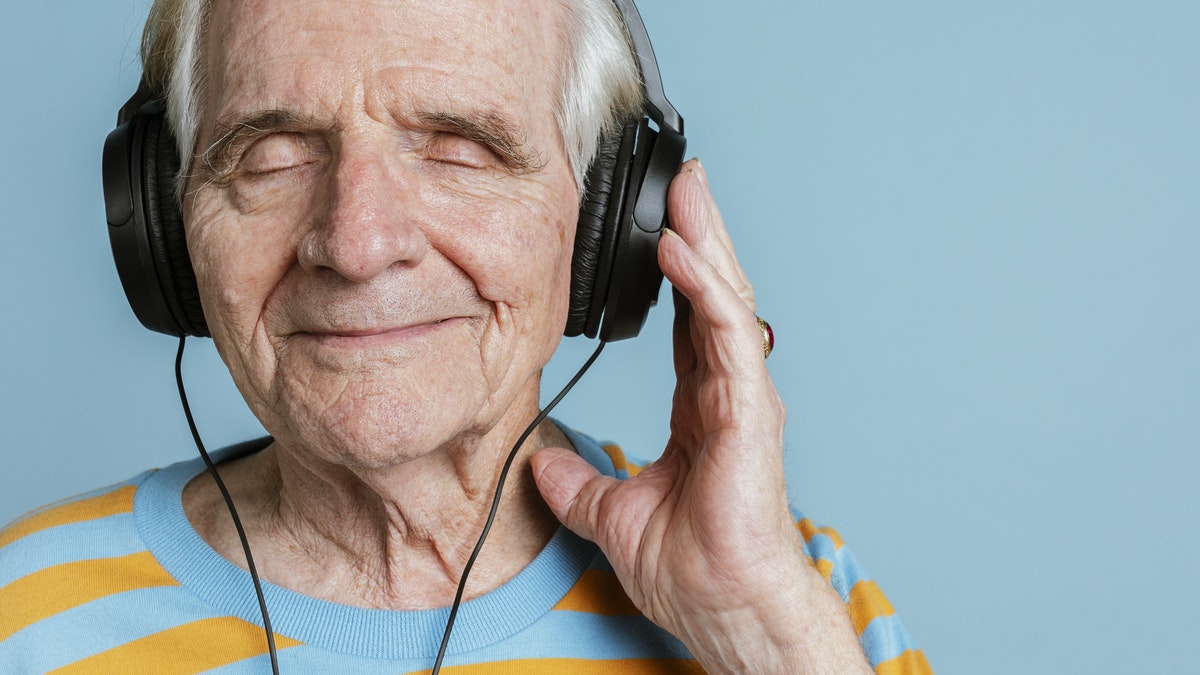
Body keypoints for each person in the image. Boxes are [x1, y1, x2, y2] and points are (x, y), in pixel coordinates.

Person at [0, 0, 931, 672]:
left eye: (461, 149)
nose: (358, 245)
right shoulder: (21, 618)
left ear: (611, 222)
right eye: (272, 154)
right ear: (168, 224)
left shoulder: (805, 605)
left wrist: (763, 632)